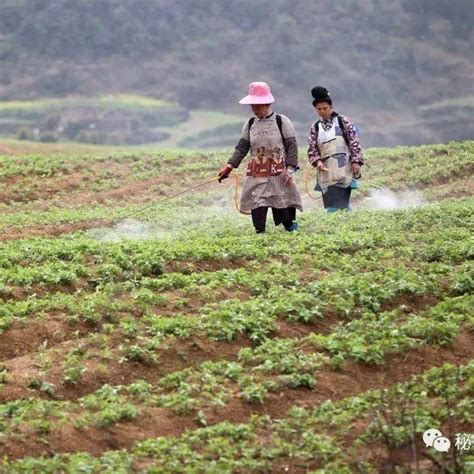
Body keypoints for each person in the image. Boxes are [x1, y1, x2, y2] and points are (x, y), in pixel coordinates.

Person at [218, 81, 303, 234]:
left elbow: (292, 145)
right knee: (257, 199)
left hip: (278, 170)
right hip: (257, 170)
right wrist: (229, 167)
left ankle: (289, 225)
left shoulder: (282, 121)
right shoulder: (250, 124)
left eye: (258, 105)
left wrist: (290, 169)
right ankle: (259, 231)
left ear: (267, 103)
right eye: (252, 106)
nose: (254, 109)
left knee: (281, 200)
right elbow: (242, 147)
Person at [307, 86, 363, 212]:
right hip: (326, 171)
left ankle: (347, 224)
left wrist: (356, 161)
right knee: (332, 205)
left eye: (325, 108)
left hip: (344, 169)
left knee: (341, 205)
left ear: (331, 107)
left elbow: (354, 142)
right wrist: (317, 161)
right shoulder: (315, 127)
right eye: (319, 109)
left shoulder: (343, 122)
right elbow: (312, 149)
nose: (322, 111)